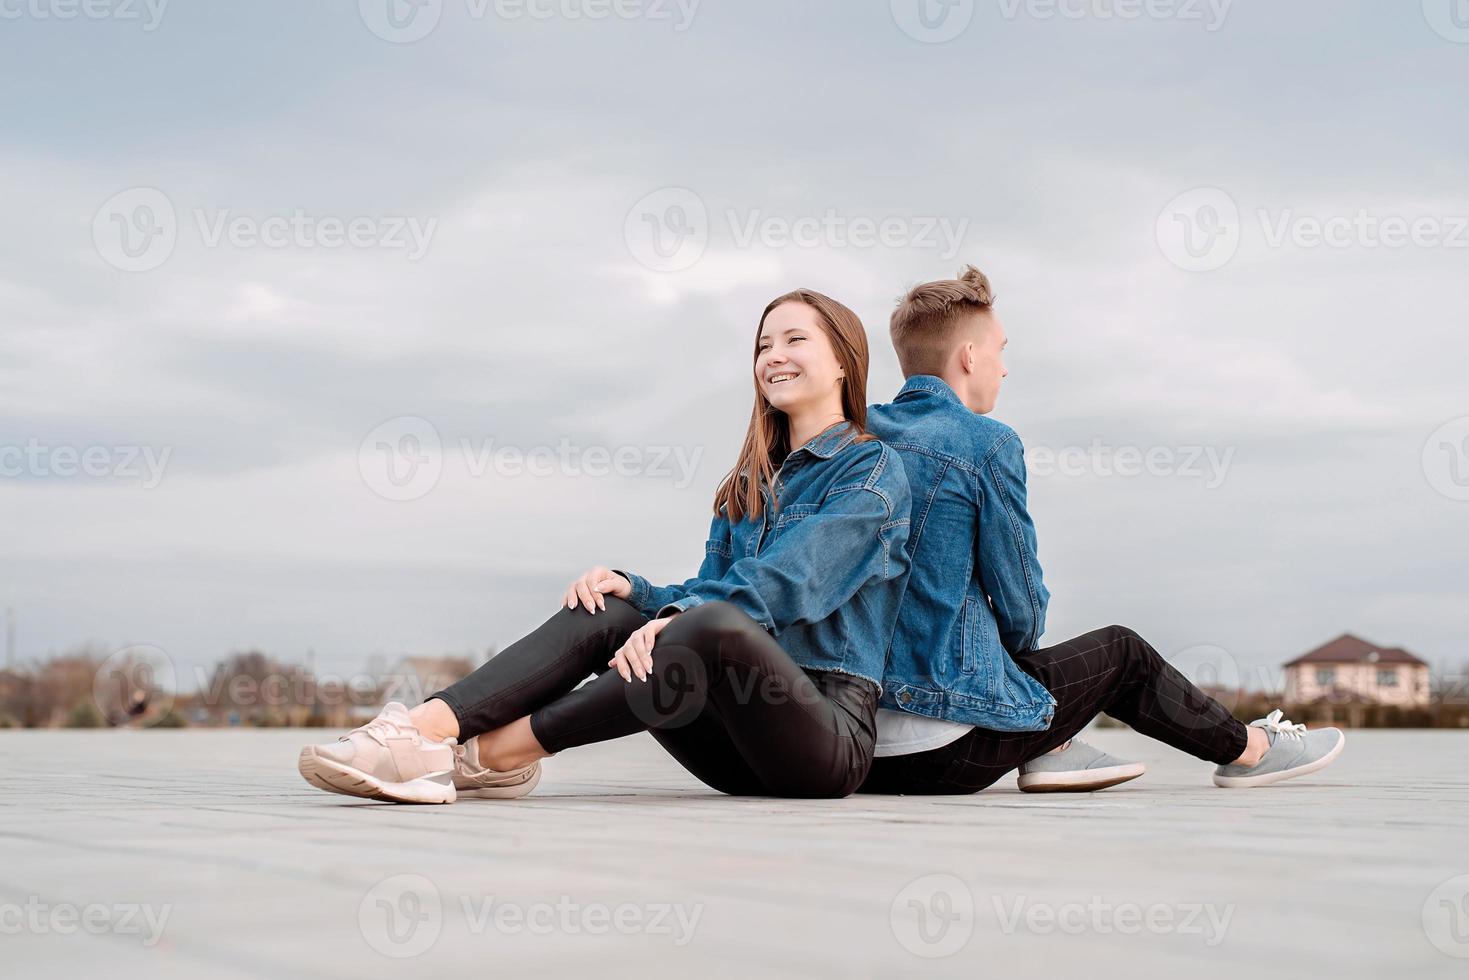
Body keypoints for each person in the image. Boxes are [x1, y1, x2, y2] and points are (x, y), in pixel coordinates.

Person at [298, 288, 911, 803]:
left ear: (843, 362)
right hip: (733, 749)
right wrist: (640, 593)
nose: (773, 355)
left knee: (707, 624)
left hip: (821, 742)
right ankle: (428, 729)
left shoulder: (871, 473)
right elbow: (709, 590)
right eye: (762, 345)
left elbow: (790, 582)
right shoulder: (747, 484)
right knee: (610, 609)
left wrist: (675, 616)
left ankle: (488, 755)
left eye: (794, 340)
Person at [858, 266, 1345, 795]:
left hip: (855, 745)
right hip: (947, 750)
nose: (1004, 367)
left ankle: (1052, 749)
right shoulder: (985, 443)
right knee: (1122, 651)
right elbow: (1021, 607)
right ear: (969, 357)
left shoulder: (858, 433)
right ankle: (1251, 751)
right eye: (1000, 349)